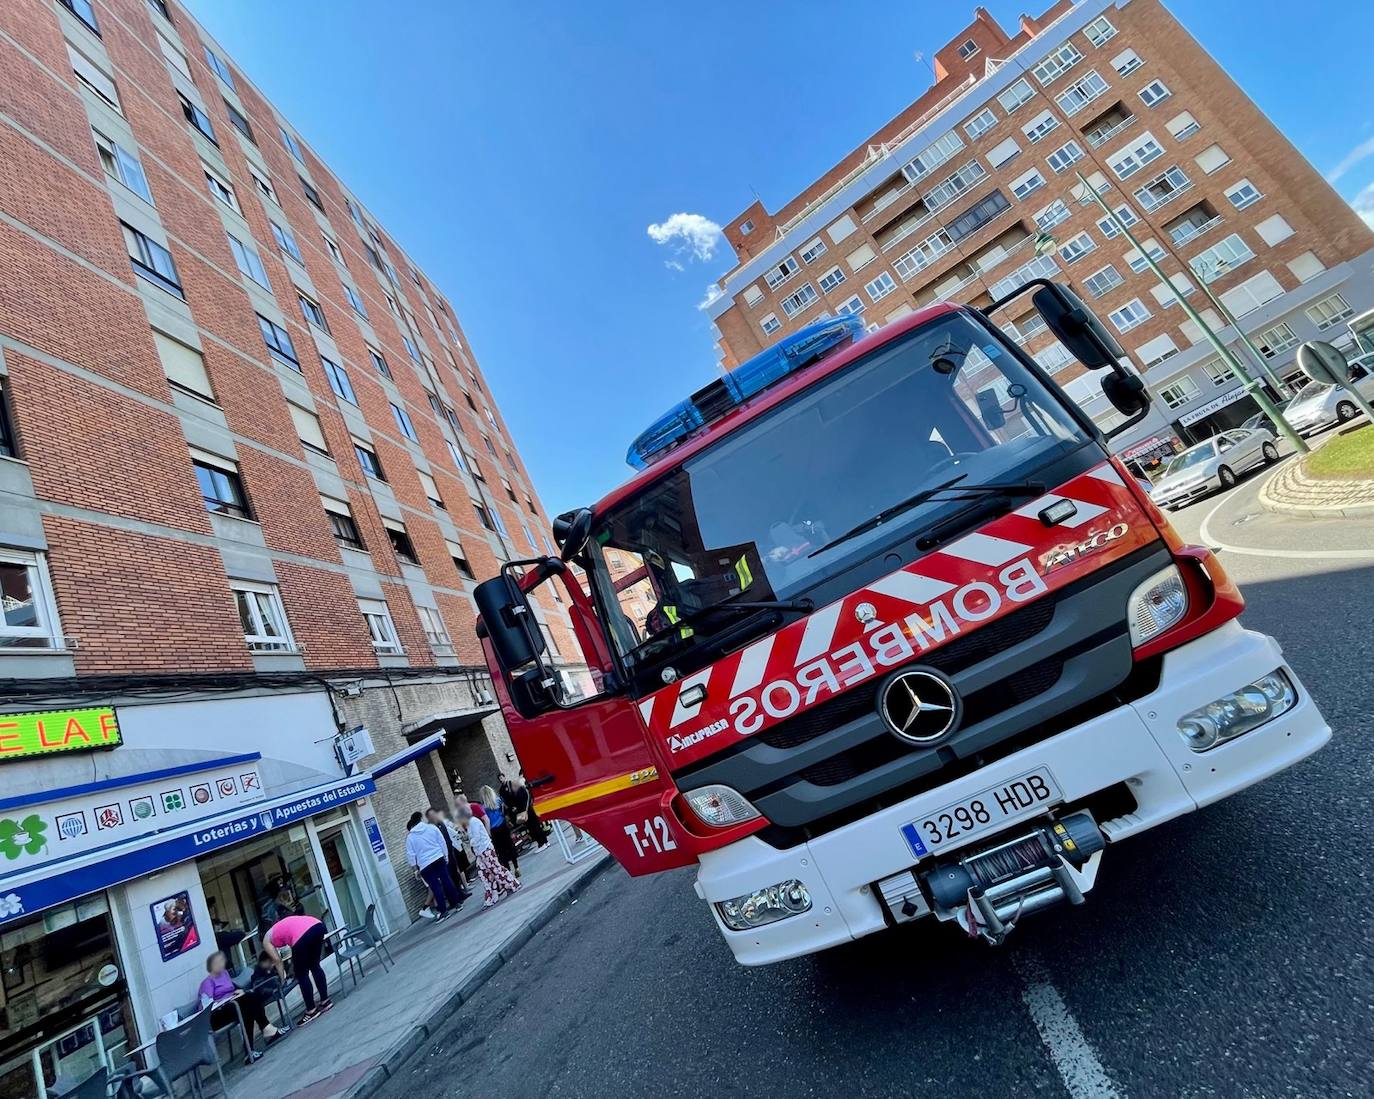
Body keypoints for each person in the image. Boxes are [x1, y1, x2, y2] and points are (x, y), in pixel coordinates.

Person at [198, 951, 286, 1064]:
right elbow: (206, 1006)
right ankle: (266, 1030)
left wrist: (239, 992)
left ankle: (250, 1051)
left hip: (234, 1005)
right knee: (247, 1004)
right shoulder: (207, 982)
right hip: (217, 1014)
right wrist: (222, 1000)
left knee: (247, 1006)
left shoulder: (225, 974)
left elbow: (232, 988)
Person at [262, 914, 331, 1024]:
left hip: (302, 935)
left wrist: (282, 979)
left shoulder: (266, 939)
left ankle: (311, 1010)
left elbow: (278, 961)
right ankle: (325, 1001)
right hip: (317, 926)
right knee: (314, 965)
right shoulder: (279, 926)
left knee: (302, 974)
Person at [455, 801, 521, 907]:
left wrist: (469, 840)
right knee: (486, 874)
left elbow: (476, 838)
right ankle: (496, 893)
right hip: (481, 851)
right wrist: (466, 838)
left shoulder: (473, 822)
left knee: (494, 870)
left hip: (485, 850)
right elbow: (474, 838)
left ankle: (510, 885)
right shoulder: (471, 823)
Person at [405, 811, 462, 920]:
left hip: (424, 864)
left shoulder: (410, 837)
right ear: (421, 819)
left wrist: (415, 869)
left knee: (435, 887)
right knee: (447, 880)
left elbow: (411, 855)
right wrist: (445, 856)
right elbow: (442, 842)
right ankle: (457, 903)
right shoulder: (431, 828)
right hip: (438, 857)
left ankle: (443, 911)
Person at [426, 808, 472, 902]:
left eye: (434, 814)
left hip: (450, 852)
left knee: (455, 874)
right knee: (448, 877)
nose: (434, 816)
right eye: (432, 815)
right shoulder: (430, 828)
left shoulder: (441, 823)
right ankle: (453, 899)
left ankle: (460, 893)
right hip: (441, 855)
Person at [480, 785, 520, 878]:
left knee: (501, 851)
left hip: (494, 830)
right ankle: (516, 867)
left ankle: (508, 870)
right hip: (503, 826)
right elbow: (505, 811)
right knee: (510, 845)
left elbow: (486, 820)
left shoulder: (483, 807)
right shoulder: (498, 800)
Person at [505, 772, 548, 849]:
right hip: (530, 810)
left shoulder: (520, 792)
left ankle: (541, 843)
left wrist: (517, 809)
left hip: (526, 812)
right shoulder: (525, 790)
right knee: (537, 826)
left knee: (533, 828)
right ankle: (545, 841)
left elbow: (522, 803)